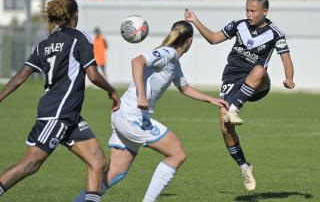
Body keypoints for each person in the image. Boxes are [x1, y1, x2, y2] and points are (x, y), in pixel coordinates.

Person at [74, 20, 229, 202]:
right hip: (133, 115)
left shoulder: (174, 63)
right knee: (177, 153)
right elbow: (137, 61)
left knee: (116, 172)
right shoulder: (168, 53)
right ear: (189, 41)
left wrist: (212, 99)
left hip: (123, 114)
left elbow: (185, 88)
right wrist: (142, 95)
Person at [0, 0, 120, 202]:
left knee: (97, 161)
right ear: (74, 15)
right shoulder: (79, 38)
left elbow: (20, 77)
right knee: (31, 163)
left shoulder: (44, 45)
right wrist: (111, 90)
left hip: (69, 115)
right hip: (58, 113)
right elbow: (92, 74)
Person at [184, 0, 295, 191]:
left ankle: (234, 109)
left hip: (257, 82)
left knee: (260, 69)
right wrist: (195, 20)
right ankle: (244, 166)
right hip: (232, 77)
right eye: (247, 10)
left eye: (253, 11)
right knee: (225, 126)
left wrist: (289, 78)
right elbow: (214, 38)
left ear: (264, 12)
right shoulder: (238, 25)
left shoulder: (275, 33)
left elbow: (286, 58)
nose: (248, 14)